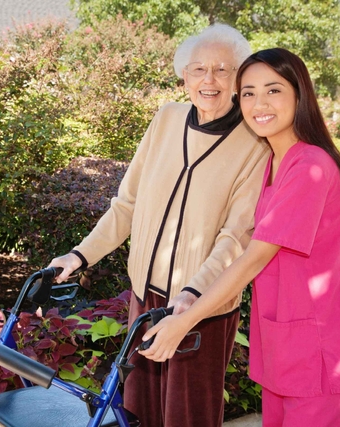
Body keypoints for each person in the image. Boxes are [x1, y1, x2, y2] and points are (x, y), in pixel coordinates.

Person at [48, 24, 270, 427]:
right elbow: (127, 204)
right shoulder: (166, 118)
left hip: (201, 309)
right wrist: (79, 255)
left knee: (188, 417)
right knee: (136, 411)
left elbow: (236, 237)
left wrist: (193, 297)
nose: (209, 80)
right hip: (143, 299)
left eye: (223, 70)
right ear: (183, 75)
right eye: (198, 69)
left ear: (239, 79)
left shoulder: (254, 143)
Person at [141, 47, 340, 426]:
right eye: (247, 92)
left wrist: (185, 322)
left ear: (300, 94)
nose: (258, 103)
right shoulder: (273, 160)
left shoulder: (311, 166)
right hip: (286, 352)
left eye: (273, 90)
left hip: (322, 358)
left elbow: (253, 256)